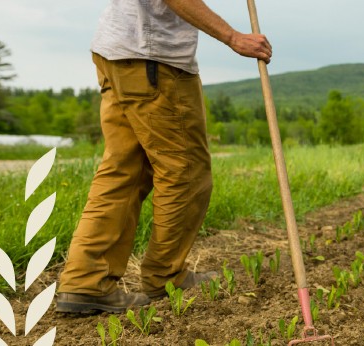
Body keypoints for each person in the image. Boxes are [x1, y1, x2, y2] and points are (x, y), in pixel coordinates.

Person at [56, 0, 272, 314]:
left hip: (119, 51)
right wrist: (232, 37)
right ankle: (165, 276)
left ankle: (85, 283)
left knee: (125, 170)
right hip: (153, 59)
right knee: (185, 173)